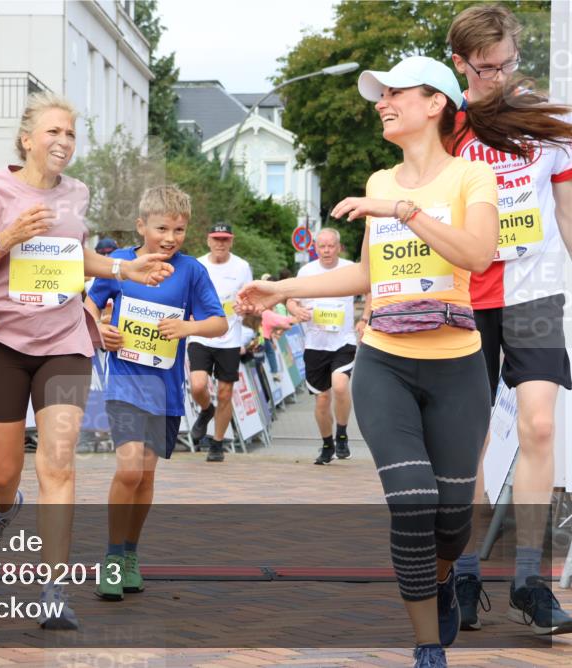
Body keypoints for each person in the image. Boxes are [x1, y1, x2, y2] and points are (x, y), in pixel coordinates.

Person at [239, 56, 499, 667]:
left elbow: (480, 254)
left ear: (435, 103)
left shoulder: (469, 179)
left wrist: (405, 212)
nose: (381, 101)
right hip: (384, 361)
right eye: (377, 95)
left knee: (453, 520)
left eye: (394, 92)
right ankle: (426, 645)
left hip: (458, 365)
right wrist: (284, 288)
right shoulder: (380, 181)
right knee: (411, 501)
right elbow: (369, 275)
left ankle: (439, 578)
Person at [0, 91, 172, 630]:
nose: (63, 142)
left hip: (65, 341)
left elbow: (74, 256)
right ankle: (4, 508)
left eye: (71, 134)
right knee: (2, 471)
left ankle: (53, 589)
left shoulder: (78, 192)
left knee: (59, 459)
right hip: (0, 340)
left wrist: (125, 270)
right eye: (54, 132)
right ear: (27, 139)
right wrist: (7, 237)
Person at [445, 4, 572, 635]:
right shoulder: (448, 123)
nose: (500, 76)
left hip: (536, 291)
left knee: (541, 426)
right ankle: (465, 570)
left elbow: (567, 212)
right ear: (460, 62)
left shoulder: (551, 121)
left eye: (508, 63)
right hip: (466, 294)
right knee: (469, 441)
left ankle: (529, 578)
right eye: (486, 67)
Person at [87, 185, 226, 600]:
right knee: (128, 470)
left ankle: (130, 554)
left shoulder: (191, 271)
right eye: (162, 227)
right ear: (141, 226)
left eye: (179, 229)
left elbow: (218, 323)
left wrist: (188, 327)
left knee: (146, 477)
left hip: (164, 389)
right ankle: (111, 559)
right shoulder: (119, 264)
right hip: (124, 383)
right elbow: (90, 306)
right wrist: (101, 331)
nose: (170, 237)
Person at [285, 228, 361, 464]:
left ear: (339, 247)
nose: (327, 250)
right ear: (315, 248)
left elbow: (371, 291)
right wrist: (295, 309)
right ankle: (327, 444)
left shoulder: (351, 268)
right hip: (315, 343)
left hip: (343, 340)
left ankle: (342, 434)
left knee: (340, 387)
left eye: (331, 246)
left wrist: (366, 319)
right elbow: (290, 298)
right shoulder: (307, 271)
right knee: (321, 399)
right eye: (322, 246)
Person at [186, 222, 253, 461]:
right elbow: (186, 296)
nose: (220, 244)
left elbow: (249, 300)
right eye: (216, 239)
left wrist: (244, 308)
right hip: (201, 334)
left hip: (229, 337)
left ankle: (217, 443)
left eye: (225, 239)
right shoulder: (197, 264)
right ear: (208, 240)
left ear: (231, 241)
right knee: (198, 385)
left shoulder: (242, 267)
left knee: (225, 393)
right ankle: (206, 410)